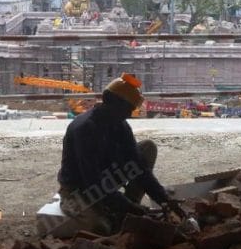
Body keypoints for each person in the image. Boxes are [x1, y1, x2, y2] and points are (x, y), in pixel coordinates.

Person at [57, 73, 173, 234]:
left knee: (147, 148)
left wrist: (164, 198)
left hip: (105, 181)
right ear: (112, 103)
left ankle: (125, 208)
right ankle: (120, 211)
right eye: (127, 109)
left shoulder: (120, 124)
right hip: (80, 190)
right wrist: (131, 208)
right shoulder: (85, 129)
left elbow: (138, 165)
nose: (129, 115)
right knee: (100, 227)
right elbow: (92, 183)